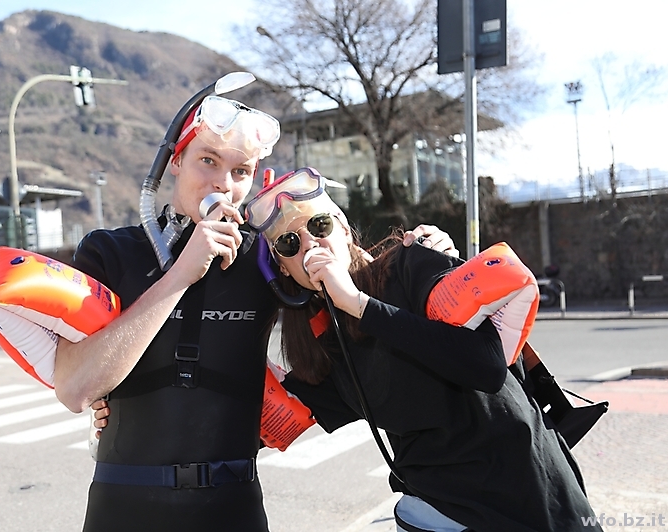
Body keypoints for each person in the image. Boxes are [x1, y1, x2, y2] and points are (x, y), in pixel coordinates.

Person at [54, 82, 458, 532]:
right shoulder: (110, 251)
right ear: (176, 161)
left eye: (241, 171)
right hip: (123, 504)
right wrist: (182, 272)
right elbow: (74, 389)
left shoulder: (265, 257)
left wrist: (420, 254)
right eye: (208, 160)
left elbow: (355, 289)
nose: (223, 184)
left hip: (232, 504)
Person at [239, 166, 603, 532]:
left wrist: (359, 304)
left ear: (344, 229)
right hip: (433, 513)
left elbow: (487, 366)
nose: (310, 244)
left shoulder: (411, 264)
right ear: (283, 269)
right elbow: (252, 425)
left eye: (320, 225)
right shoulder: (326, 345)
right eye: (289, 243)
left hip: (522, 496)